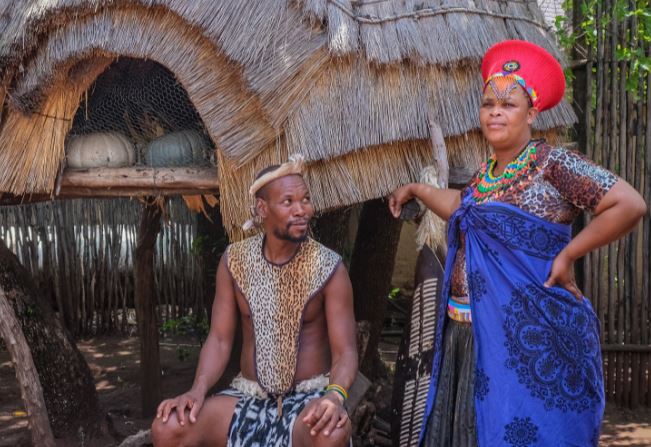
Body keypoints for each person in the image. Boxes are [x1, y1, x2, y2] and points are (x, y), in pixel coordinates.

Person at [389, 40, 647, 446]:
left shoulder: (554, 164)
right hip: (465, 337)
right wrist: (419, 189)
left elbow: (629, 204)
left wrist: (569, 253)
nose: (495, 111)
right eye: (489, 102)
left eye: (508, 105)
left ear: (532, 112)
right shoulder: (486, 174)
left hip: (522, 344)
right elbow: (463, 207)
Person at [151, 155, 357, 447]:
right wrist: (197, 390)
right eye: (288, 202)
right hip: (248, 396)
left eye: (306, 199)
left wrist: (334, 396)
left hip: (307, 400)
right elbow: (220, 339)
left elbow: (345, 350)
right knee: (168, 428)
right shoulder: (235, 261)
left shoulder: (329, 267)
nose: (301, 210)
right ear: (263, 208)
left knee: (330, 433)